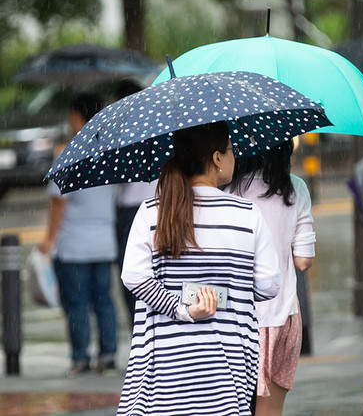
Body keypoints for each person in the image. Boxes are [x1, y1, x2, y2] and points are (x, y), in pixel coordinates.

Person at [117, 122, 281, 415]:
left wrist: (182, 306)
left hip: (162, 371)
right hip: (227, 372)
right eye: (231, 150)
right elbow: (268, 285)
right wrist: (227, 288)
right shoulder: (246, 214)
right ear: (217, 158)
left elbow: (134, 276)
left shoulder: (151, 211)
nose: (234, 157)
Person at [228, 140, 315, 416]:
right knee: (270, 412)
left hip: (236, 318)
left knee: (232, 406)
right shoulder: (295, 187)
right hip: (282, 315)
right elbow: (303, 260)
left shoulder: (228, 192)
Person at [39, 93, 119, 375]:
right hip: (104, 243)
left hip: (74, 244)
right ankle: (108, 355)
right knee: (104, 300)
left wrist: (49, 238)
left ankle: (80, 357)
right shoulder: (110, 152)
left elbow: (58, 201)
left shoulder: (69, 153)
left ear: (76, 116)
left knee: (77, 304)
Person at [112, 80, 156, 322]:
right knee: (158, 269)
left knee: (131, 272)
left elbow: (119, 179)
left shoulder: (121, 131)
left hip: (130, 211)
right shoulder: (159, 124)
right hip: (161, 204)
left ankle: (136, 325)